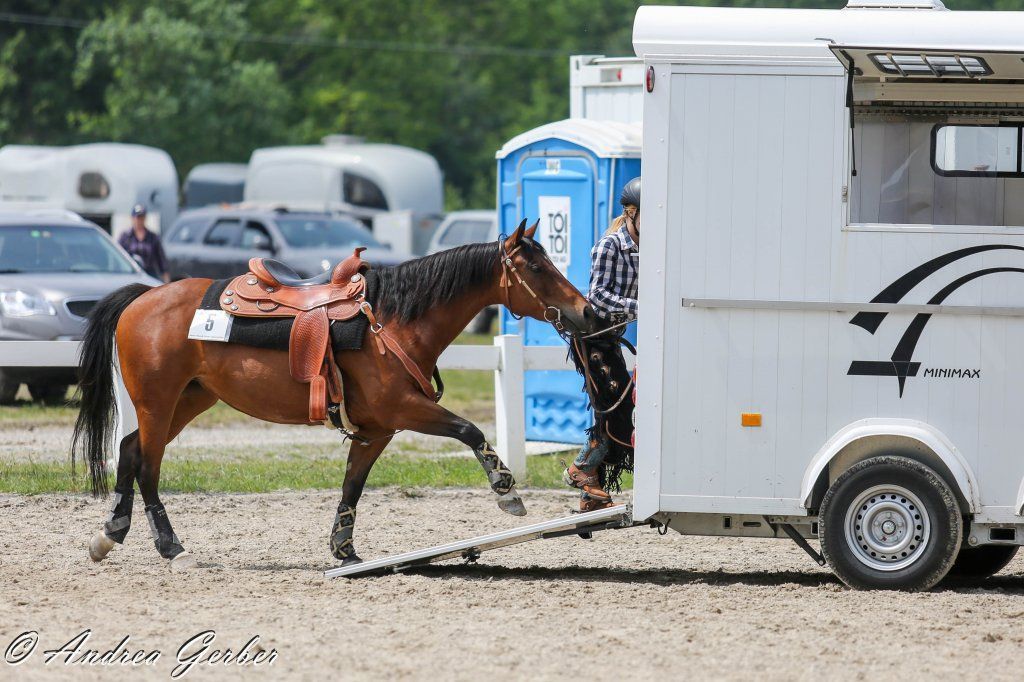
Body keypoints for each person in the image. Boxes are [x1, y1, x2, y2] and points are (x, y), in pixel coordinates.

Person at [563, 177, 640, 511]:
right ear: (632, 212)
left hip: (611, 338)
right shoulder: (609, 245)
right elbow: (597, 296)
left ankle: (590, 492)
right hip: (592, 338)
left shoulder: (647, 247)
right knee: (615, 409)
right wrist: (642, 307)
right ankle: (580, 467)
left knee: (616, 407)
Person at [118, 204, 170, 283]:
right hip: (131, 274)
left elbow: (161, 260)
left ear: (145, 218)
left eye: (141, 218)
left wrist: (166, 279)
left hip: (149, 273)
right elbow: (119, 257)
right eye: (137, 217)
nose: (139, 220)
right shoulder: (125, 236)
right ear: (132, 218)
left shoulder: (153, 237)